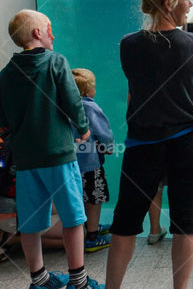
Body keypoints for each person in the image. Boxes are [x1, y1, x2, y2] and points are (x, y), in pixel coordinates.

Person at [105, 0, 193, 289]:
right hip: (189, 143)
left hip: (143, 145)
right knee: (186, 222)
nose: (191, 4)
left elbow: (140, 83)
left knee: (124, 223)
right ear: (169, 3)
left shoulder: (129, 45)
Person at [0, 9, 102, 289]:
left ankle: (39, 279)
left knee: (31, 222)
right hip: (58, 155)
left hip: (25, 160)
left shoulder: (6, 74)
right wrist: (83, 129)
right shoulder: (56, 62)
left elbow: (2, 119)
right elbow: (72, 99)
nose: (52, 34)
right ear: (37, 33)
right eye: (49, 29)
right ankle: (78, 281)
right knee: (73, 218)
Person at [71, 68, 114, 254]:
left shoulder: (63, 105)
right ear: (88, 91)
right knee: (95, 198)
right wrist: (109, 146)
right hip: (90, 164)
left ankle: (88, 227)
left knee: (79, 198)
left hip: (70, 164)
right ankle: (92, 236)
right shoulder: (90, 107)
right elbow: (102, 131)